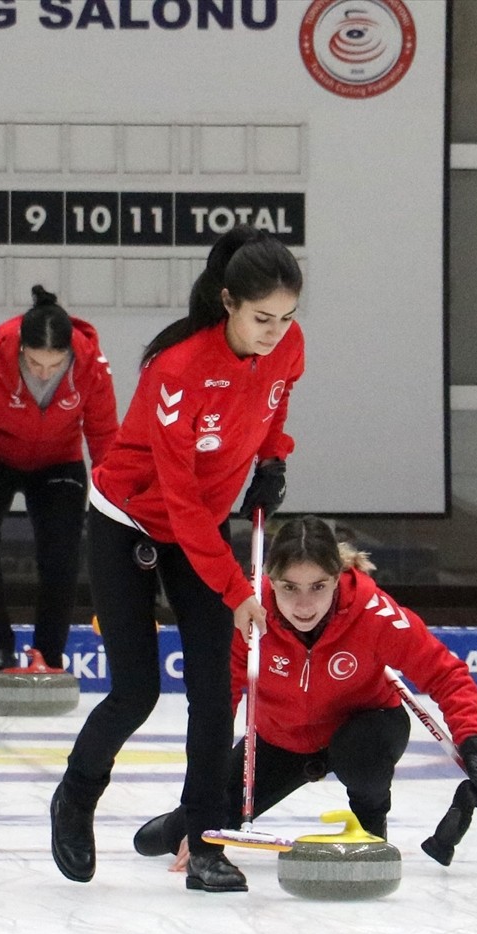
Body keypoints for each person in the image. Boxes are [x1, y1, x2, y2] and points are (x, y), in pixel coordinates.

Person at [49, 225, 305, 894]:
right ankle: (74, 798)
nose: (275, 332)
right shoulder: (178, 370)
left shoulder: (287, 348)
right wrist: (234, 589)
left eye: (285, 318)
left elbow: (274, 401)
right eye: (261, 318)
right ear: (227, 303)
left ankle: (207, 838)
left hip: (198, 518)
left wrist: (273, 456)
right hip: (131, 515)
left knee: (211, 695)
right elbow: (182, 502)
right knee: (137, 690)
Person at [133, 515, 477, 870]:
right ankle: (177, 822)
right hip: (281, 741)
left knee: (362, 755)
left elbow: (446, 674)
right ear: (270, 580)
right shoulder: (246, 613)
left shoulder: (375, 614)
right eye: (289, 587)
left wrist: (474, 744)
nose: (304, 605)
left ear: (338, 577)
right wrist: (202, 806)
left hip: (364, 729)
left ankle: (372, 823)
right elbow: (217, 706)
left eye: (318, 587)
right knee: (169, 836)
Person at [0, 286, 119, 708]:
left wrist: (118, 509)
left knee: (62, 556)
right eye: (34, 362)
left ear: (70, 356)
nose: (43, 372)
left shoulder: (92, 365)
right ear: (20, 348)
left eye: (54, 364)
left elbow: (106, 441)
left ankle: (50, 654)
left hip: (58, 463)